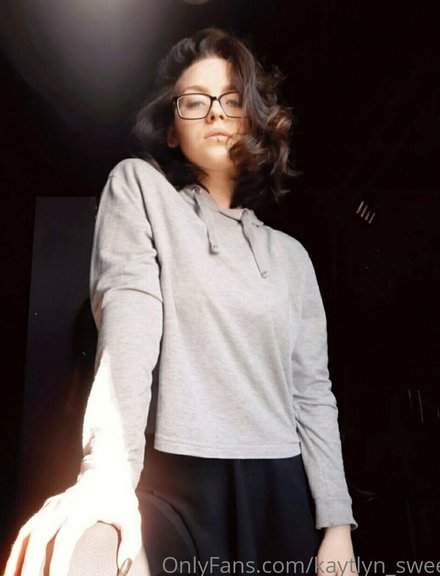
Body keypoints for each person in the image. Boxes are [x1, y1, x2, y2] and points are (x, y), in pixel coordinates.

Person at [4, 28, 358, 576]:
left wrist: (337, 526)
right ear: (172, 129)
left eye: (232, 99)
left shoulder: (292, 258)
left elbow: (312, 394)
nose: (215, 112)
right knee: (82, 558)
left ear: (252, 118)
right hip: (179, 486)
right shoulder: (141, 190)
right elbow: (128, 329)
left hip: (282, 489)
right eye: (194, 101)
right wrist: (106, 476)